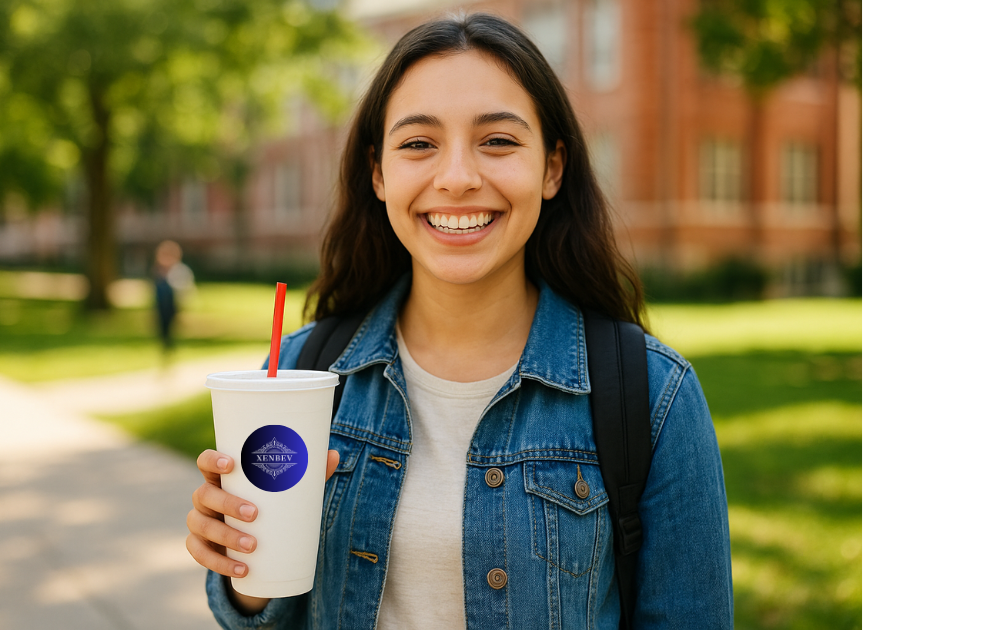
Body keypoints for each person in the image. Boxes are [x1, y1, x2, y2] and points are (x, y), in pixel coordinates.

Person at [186, 13, 732, 629]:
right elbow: (259, 616)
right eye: (419, 143)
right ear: (378, 172)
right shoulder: (301, 374)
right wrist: (246, 573)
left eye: (497, 140)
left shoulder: (654, 396)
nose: (457, 179)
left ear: (553, 168)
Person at [152, 240, 194, 358]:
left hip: (173, 307)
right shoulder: (158, 271)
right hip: (161, 308)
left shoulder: (179, 272)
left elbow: (184, 292)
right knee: (162, 333)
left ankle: (170, 352)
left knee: (172, 332)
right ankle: (165, 352)